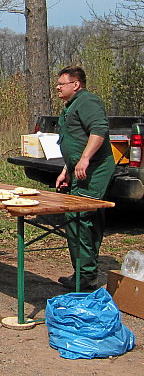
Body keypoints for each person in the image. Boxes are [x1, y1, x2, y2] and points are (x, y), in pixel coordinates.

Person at [54, 65, 115, 290]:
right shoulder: (72, 105)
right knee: (82, 218)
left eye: (61, 84)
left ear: (76, 84)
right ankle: (83, 272)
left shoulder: (88, 102)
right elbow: (74, 141)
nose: (57, 87)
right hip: (78, 170)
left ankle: (86, 276)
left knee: (79, 216)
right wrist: (67, 170)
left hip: (94, 170)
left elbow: (99, 130)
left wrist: (85, 159)